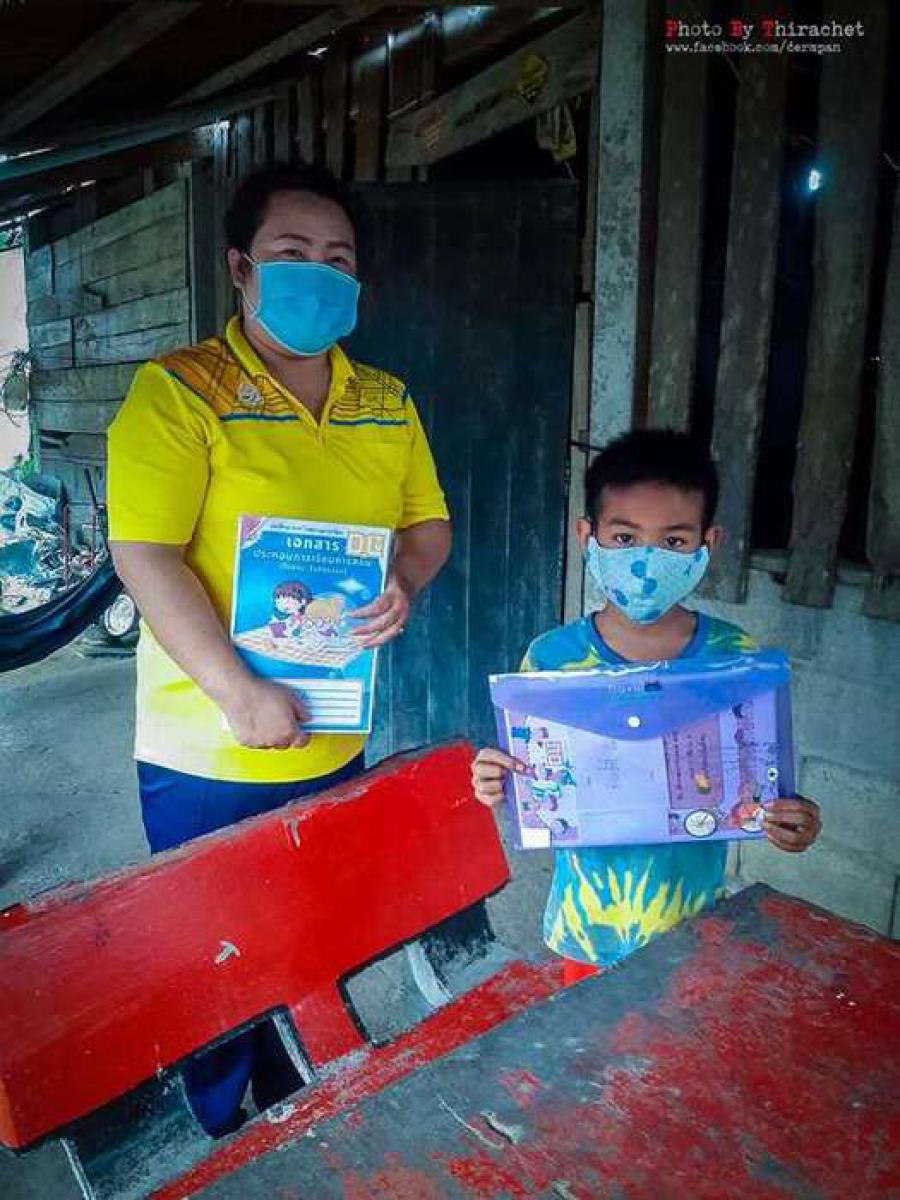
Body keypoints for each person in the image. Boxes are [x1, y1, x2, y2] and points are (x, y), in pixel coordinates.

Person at [107, 163, 451, 1134]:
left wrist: (404, 580)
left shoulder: (386, 401)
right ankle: (226, 1138)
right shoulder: (179, 393)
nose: (318, 272)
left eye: (338, 258)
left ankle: (294, 1112)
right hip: (209, 748)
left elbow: (428, 526)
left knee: (307, 945)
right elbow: (144, 554)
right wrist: (236, 691)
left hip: (336, 729)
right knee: (217, 959)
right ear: (240, 267)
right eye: (292, 252)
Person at [471, 430, 821, 986]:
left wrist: (790, 818)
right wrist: (497, 780)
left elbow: (760, 784)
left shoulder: (735, 660)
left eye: (674, 541)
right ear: (587, 536)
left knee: (679, 1038)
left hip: (693, 928)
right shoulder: (551, 660)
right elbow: (533, 782)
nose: (646, 561)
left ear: (708, 543)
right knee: (592, 1038)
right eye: (625, 537)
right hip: (587, 927)